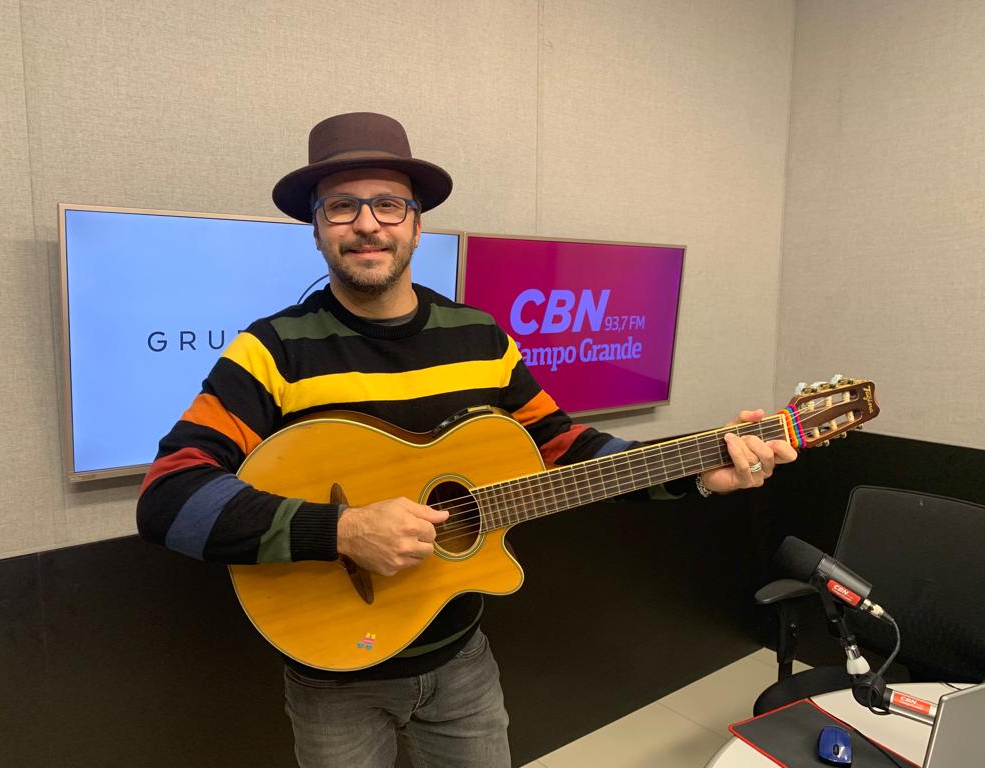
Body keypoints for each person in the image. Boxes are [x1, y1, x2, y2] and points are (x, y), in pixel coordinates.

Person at [136, 111, 797, 768]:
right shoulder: (271, 350)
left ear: (418, 224)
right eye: (342, 207)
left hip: (463, 665)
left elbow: (562, 449)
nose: (367, 223)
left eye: (389, 205)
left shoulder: (480, 337)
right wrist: (341, 530)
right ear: (316, 230)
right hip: (333, 684)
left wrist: (701, 469)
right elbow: (169, 495)